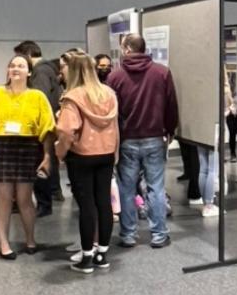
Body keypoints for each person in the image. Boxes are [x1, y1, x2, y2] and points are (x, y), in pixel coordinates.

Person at [0, 54, 55, 260]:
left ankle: (30, 239)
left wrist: (47, 157)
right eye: (12, 66)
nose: (16, 69)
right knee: (4, 199)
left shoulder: (37, 97)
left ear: (29, 72)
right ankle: (4, 244)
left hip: (27, 148)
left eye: (21, 66)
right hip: (1, 148)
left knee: (25, 199)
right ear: (8, 71)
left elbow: (47, 130)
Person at [107, 34, 178, 248]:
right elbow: (171, 105)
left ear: (128, 49)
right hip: (155, 138)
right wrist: (171, 129)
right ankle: (159, 235)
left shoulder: (115, 77)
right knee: (155, 186)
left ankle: (128, 235)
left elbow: (112, 112)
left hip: (127, 140)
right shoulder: (162, 73)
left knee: (126, 188)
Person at [55, 51, 119, 274]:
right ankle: (102, 253)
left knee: (87, 206)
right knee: (104, 203)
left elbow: (65, 129)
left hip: (81, 156)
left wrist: (60, 152)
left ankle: (87, 258)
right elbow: (115, 127)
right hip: (106, 154)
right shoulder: (109, 94)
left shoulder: (73, 97)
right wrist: (115, 152)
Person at [13, 40, 64, 216]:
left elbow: (39, 99)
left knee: (41, 163)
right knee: (48, 161)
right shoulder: (49, 69)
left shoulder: (40, 72)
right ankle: (53, 194)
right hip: (47, 123)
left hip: (40, 126)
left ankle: (44, 203)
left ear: (27, 55)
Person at [196, 69, 233, 217]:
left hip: (200, 128)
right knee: (212, 169)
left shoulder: (200, 87)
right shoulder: (222, 91)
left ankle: (205, 203)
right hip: (216, 129)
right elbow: (227, 110)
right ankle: (210, 204)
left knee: (203, 168)